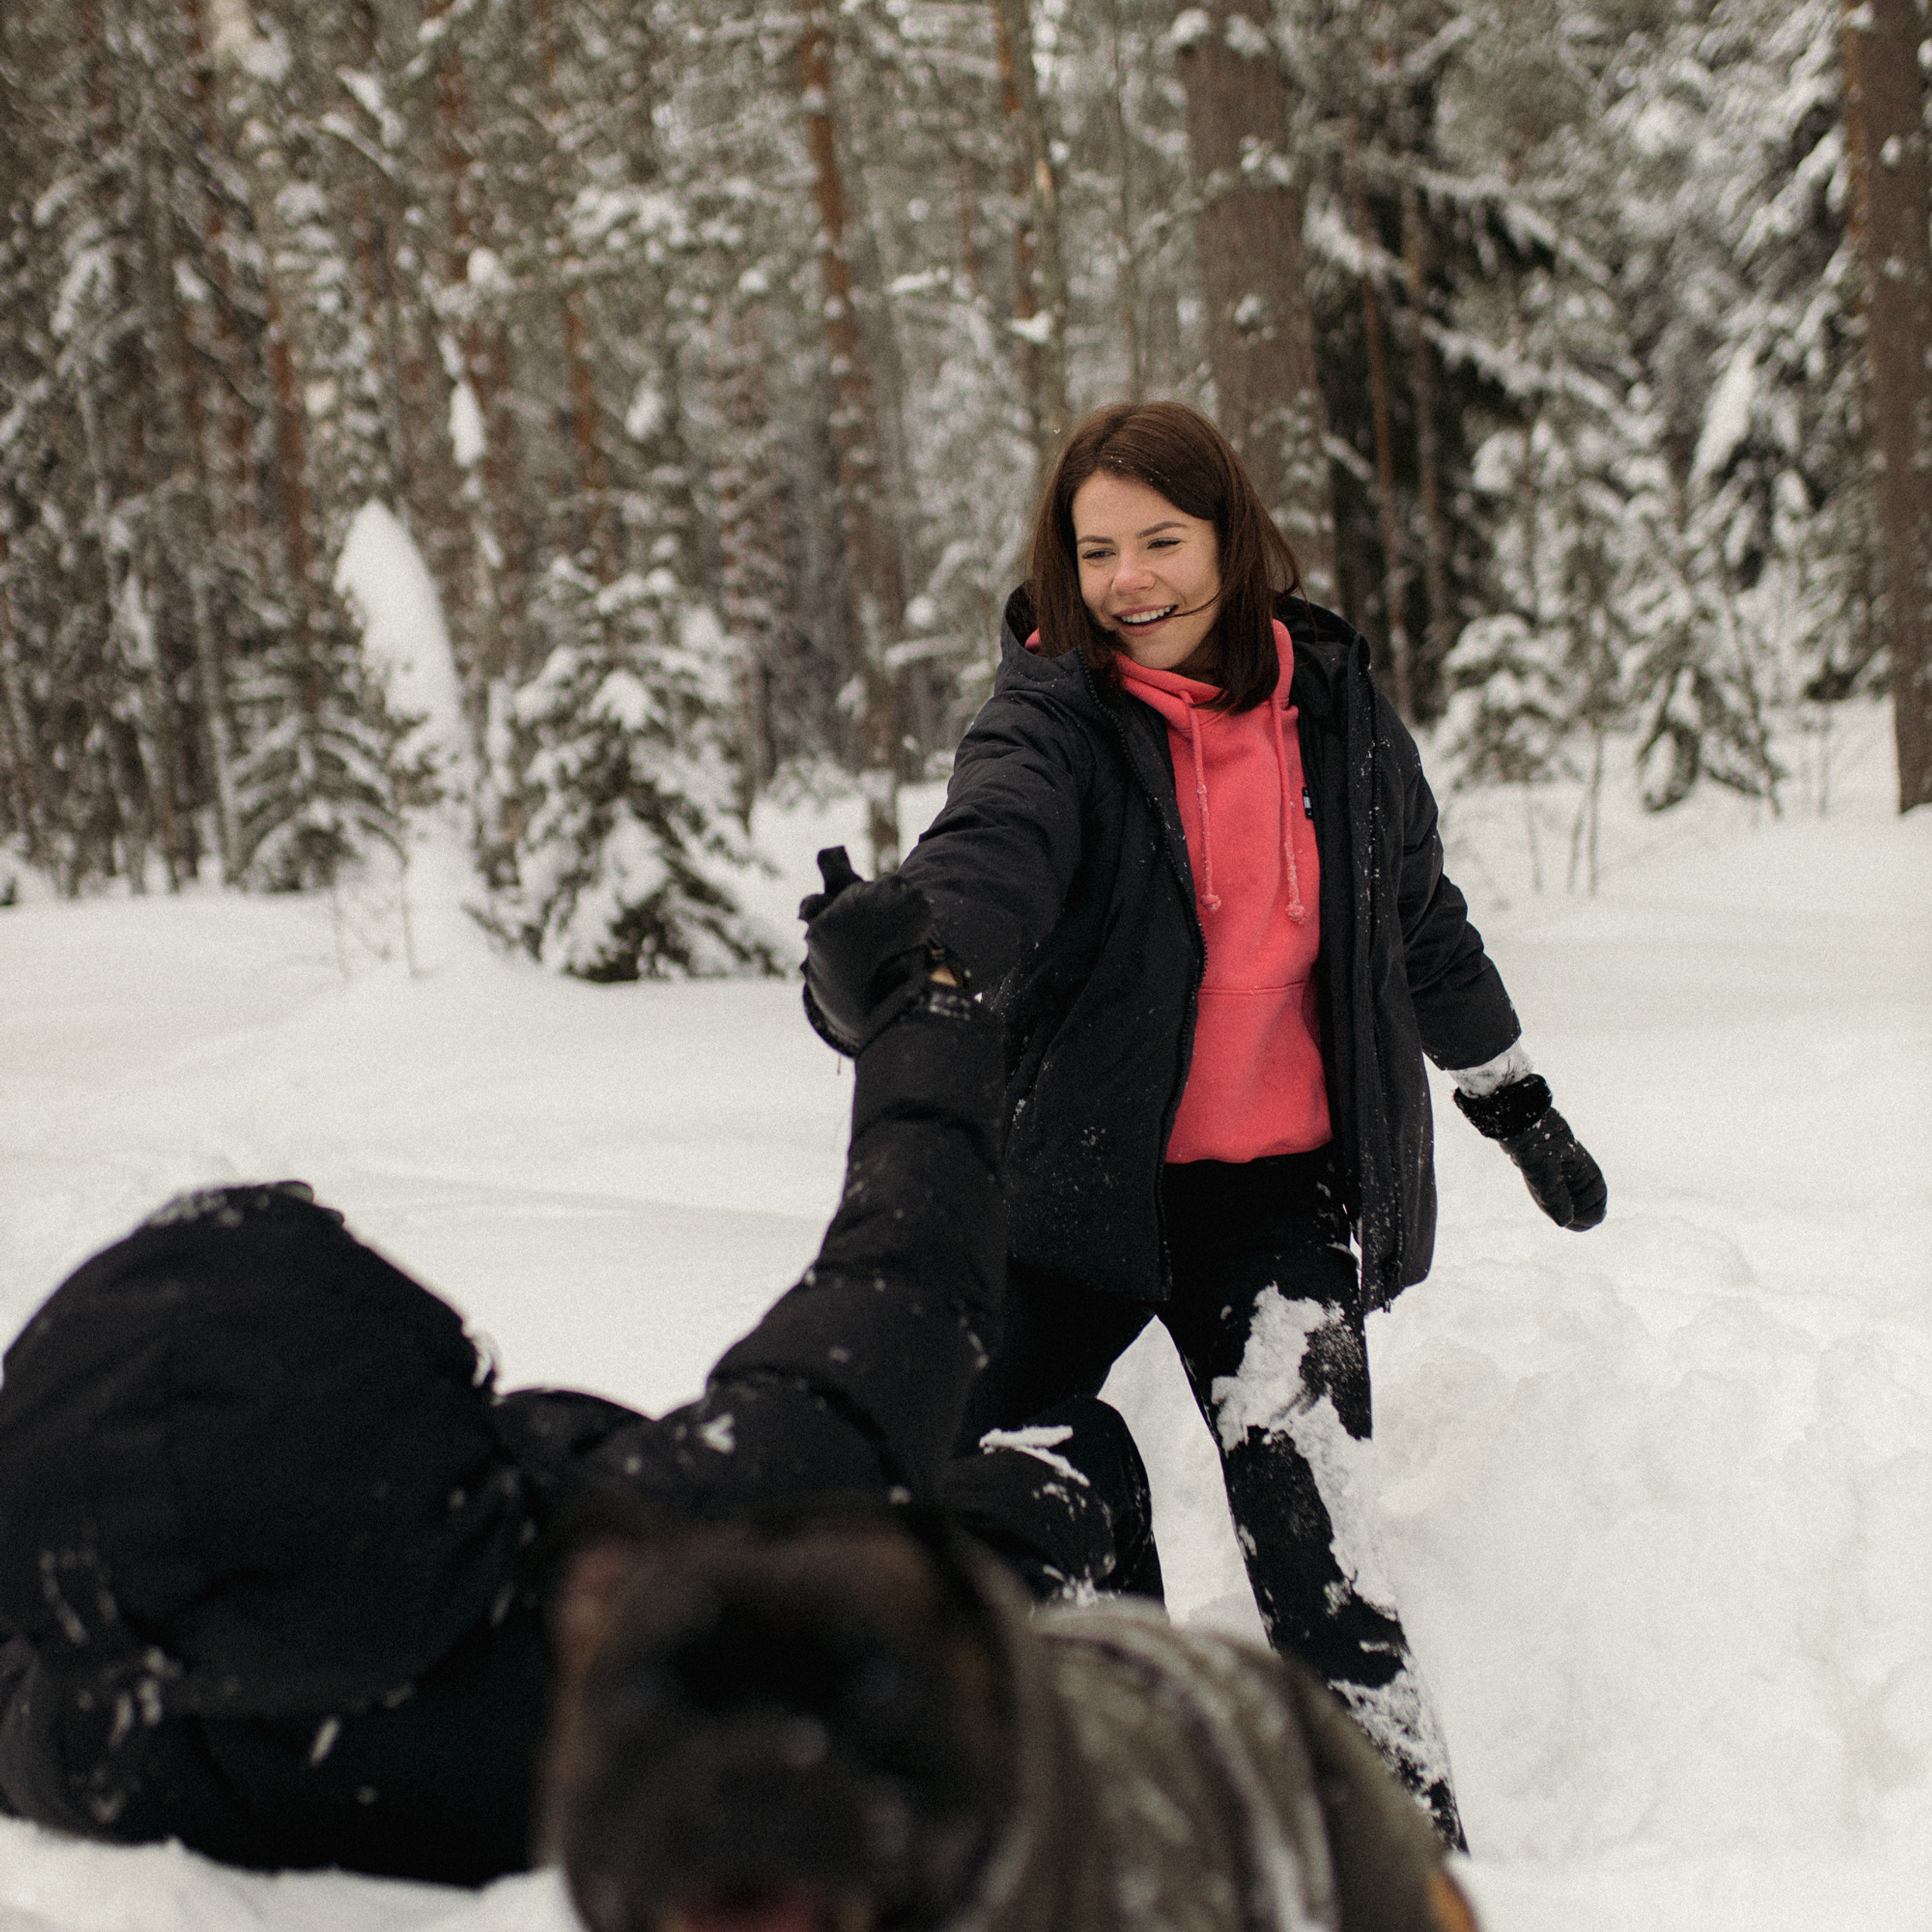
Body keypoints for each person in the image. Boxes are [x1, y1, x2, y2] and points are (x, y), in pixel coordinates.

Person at [801, 399, 1607, 1847]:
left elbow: (1417, 922)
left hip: (1276, 1199)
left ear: (1233, 539)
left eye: (1161, 541)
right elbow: (993, 851)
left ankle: (1399, 1854)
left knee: (1321, 1547)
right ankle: (1134, 1799)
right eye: (1096, 550)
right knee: (1015, 1475)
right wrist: (913, 956)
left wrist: (1512, 1096)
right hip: (1075, 1188)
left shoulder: (1342, 715)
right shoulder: (1051, 718)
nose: (1128, 582)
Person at [0, 980, 1153, 1884]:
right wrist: (923, 1012)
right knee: (1065, 1472)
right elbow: (901, 1283)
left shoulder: (125, 1746)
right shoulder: (635, 1583)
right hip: (849, 1641)